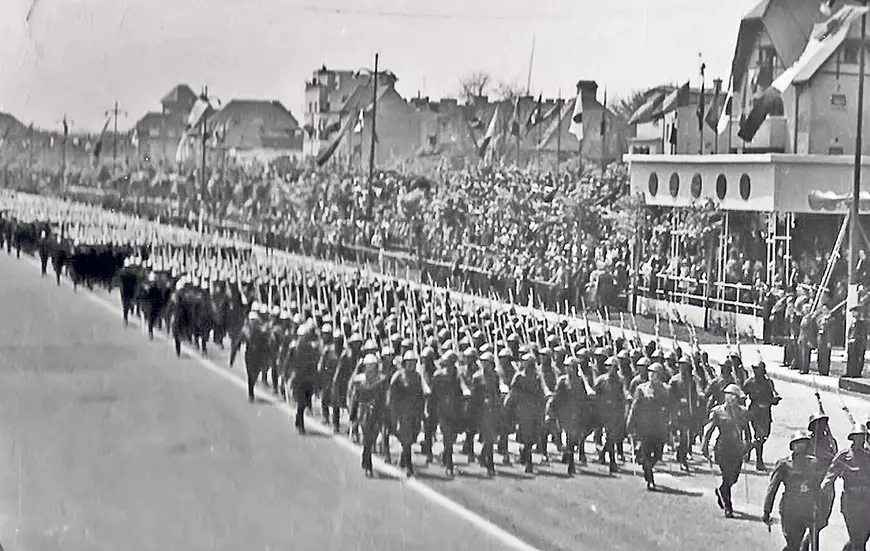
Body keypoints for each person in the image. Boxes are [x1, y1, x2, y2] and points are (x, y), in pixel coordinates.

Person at [763, 430, 825, 551]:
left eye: (804, 443)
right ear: (792, 446)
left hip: (807, 509)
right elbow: (773, 488)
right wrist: (767, 509)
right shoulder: (784, 464)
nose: (801, 446)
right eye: (798, 443)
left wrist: (820, 508)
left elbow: (817, 487)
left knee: (806, 544)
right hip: (789, 510)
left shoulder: (813, 463)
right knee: (793, 544)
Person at [702, 384, 749, 518]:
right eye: (728, 395)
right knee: (727, 475)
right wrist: (705, 445)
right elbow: (709, 429)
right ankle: (728, 506)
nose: (730, 398)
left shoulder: (743, 412)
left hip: (737, 448)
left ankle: (721, 490)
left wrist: (747, 445)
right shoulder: (717, 411)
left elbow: (746, 430)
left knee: (734, 477)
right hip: (723, 447)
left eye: (733, 396)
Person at [820, 423, 870, 550]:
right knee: (857, 540)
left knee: (861, 540)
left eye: (862, 437)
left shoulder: (868, 456)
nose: (860, 440)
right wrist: (822, 491)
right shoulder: (844, 456)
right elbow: (829, 477)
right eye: (857, 437)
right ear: (852, 438)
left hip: (867, 503)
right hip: (851, 504)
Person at [627, 362, 670, 490]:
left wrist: (671, 423)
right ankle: (650, 479)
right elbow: (634, 407)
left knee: (657, 453)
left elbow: (669, 408)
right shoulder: (641, 389)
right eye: (650, 372)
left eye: (655, 373)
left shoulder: (665, 390)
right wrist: (630, 423)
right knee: (646, 452)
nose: (652, 375)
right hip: (644, 426)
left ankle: (648, 467)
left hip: (659, 426)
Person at [349, 354, 389, 477]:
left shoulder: (381, 380)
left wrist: (385, 411)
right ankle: (368, 464)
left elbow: (384, 397)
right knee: (367, 436)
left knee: (373, 437)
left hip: (377, 411)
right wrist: (353, 414)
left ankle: (366, 457)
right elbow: (355, 398)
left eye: (373, 366)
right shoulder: (359, 380)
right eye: (368, 366)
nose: (370, 369)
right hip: (363, 411)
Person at [388, 351, 425, 476]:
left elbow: (421, 395)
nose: (411, 365)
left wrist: (422, 411)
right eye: (409, 362)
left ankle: (403, 459)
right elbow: (391, 395)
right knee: (406, 439)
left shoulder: (417, 377)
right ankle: (409, 466)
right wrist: (394, 412)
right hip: (402, 412)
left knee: (413, 436)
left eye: (413, 363)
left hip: (414, 411)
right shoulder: (398, 376)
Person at [742, 361, 781, 471]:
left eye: (757, 369)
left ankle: (750, 447)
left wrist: (775, 399)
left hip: (766, 412)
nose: (755, 372)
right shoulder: (749, 382)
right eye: (754, 369)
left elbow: (774, 398)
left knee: (765, 435)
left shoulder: (768, 383)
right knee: (760, 435)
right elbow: (742, 395)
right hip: (755, 412)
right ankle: (759, 461)